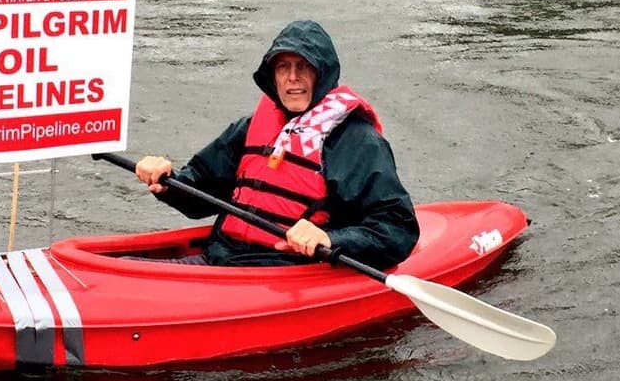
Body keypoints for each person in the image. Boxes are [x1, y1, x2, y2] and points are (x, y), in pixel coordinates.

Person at [133, 21, 419, 270]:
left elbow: (397, 229)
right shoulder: (248, 129)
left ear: (323, 75)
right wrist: (167, 182)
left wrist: (331, 239)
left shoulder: (356, 142)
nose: (292, 77)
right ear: (273, 77)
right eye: (283, 67)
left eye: (303, 66)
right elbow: (200, 193)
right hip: (222, 258)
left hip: (289, 273)